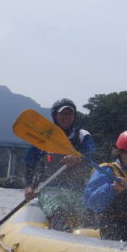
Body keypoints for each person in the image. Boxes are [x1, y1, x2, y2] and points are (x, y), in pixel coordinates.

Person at [22, 98, 97, 231]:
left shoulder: (82, 135)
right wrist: (29, 186)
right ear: (55, 115)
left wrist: (78, 158)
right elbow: (29, 162)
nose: (66, 117)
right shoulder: (44, 137)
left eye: (69, 113)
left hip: (77, 191)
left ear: (74, 116)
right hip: (49, 190)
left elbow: (92, 154)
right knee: (59, 210)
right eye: (62, 113)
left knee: (90, 214)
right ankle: (59, 235)